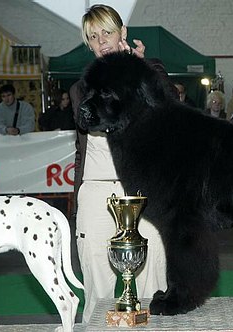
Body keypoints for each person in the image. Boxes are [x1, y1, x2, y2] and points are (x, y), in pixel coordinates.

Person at [70, 4, 167, 323]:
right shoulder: (81, 88)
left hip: (145, 189)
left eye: (107, 32)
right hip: (97, 191)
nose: (102, 41)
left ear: (123, 32)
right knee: (96, 276)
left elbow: (169, 110)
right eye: (94, 36)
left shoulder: (153, 71)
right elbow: (93, 121)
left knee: (152, 270)